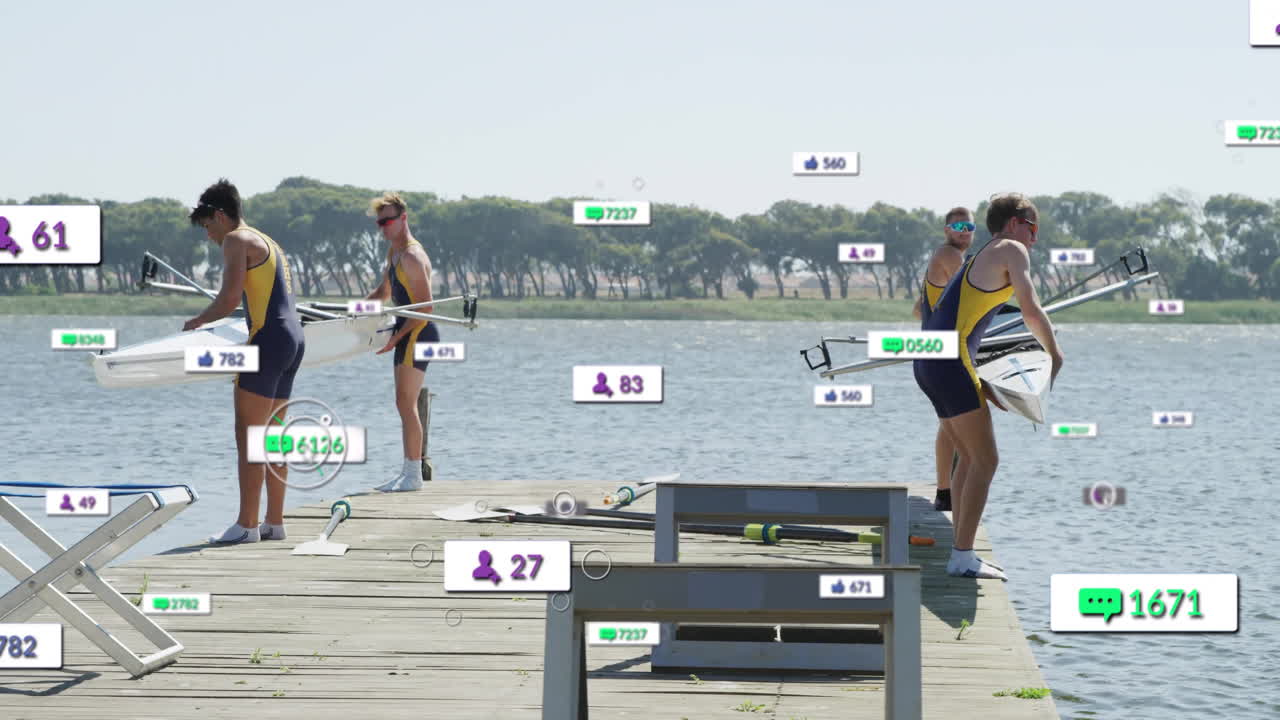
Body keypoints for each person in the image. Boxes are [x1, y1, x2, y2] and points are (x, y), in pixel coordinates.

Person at [913, 193, 1063, 579]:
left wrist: (981, 381)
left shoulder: (979, 256)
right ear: (1013, 223)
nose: (1034, 238)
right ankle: (963, 557)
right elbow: (1031, 310)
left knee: (968, 456)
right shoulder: (1011, 249)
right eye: (1032, 228)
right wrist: (1056, 354)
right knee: (986, 460)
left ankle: (960, 550)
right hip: (949, 363)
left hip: (930, 363)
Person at [185, 179, 305, 544]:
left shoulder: (236, 240)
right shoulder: (269, 241)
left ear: (221, 216)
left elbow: (228, 300)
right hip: (293, 340)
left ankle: (246, 526)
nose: (209, 235)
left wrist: (197, 322)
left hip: (267, 341)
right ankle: (275, 522)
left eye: (208, 226)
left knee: (248, 434)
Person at [364, 192, 437, 492]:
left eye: (387, 221)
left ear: (403, 218)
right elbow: (383, 293)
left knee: (406, 403)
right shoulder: (394, 253)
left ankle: (413, 475)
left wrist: (396, 338)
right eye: (379, 223)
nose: (383, 228)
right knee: (403, 403)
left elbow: (426, 308)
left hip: (418, 332)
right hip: (405, 331)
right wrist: (354, 311)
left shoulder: (411, 257)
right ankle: (407, 471)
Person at [913, 208, 976, 512]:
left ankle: (945, 492)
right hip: (943, 353)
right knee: (955, 422)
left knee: (949, 421)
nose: (964, 231)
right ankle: (948, 492)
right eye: (958, 226)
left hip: (935, 350)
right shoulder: (949, 255)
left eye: (969, 226)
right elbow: (972, 295)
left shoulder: (941, 258)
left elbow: (918, 309)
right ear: (946, 230)